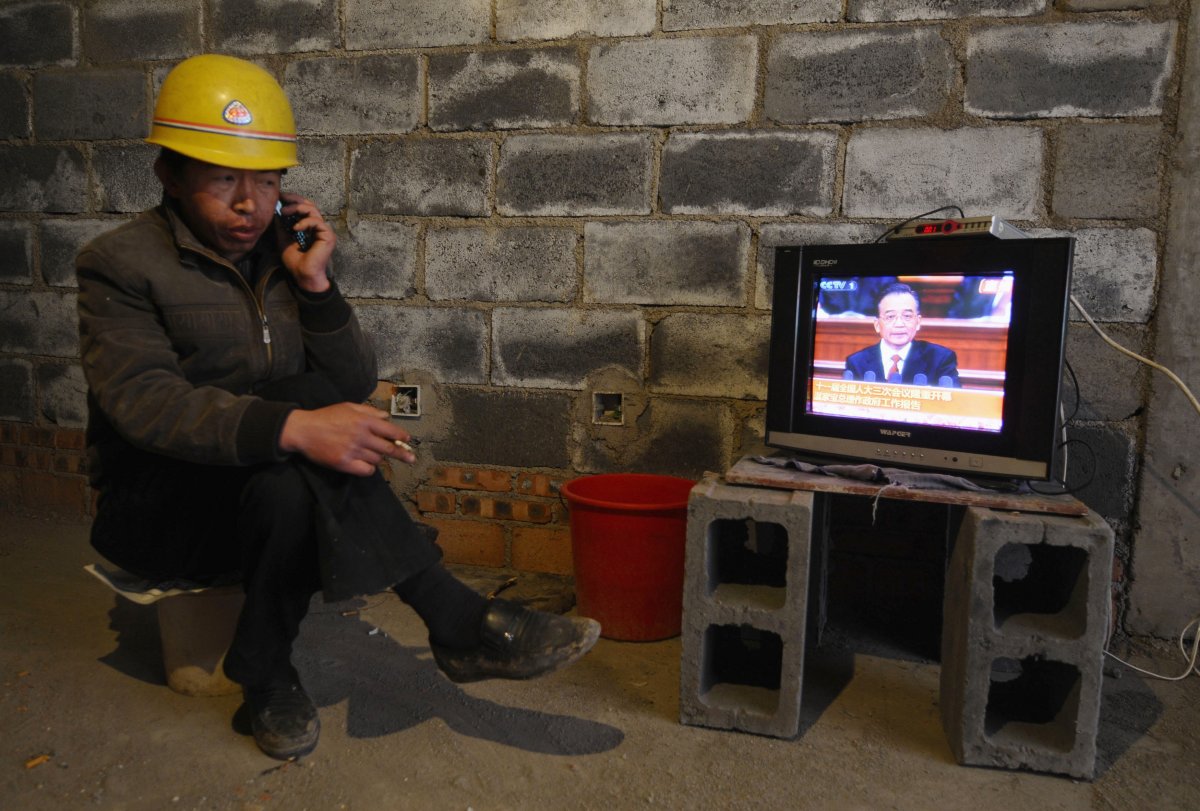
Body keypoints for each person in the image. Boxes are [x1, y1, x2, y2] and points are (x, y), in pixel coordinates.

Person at [75, 54, 600, 761]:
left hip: (262, 491)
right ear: (169, 173)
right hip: (162, 502)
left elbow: (351, 381)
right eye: (225, 178)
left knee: (294, 474)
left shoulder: (283, 251)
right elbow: (146, 404)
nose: (249, 204)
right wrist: (294, 425)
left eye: (266, 181)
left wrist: (316, 286)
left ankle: (264, 668)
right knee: (299, 417)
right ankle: (455, 618)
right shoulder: (121, 264)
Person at [843, 282, 960, 387]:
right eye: (890, 316)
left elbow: (953, 404)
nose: (899, 324)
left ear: (918, 322)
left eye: (907, 316)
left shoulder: (941, 359)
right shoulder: (856, 362)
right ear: (877, 325)